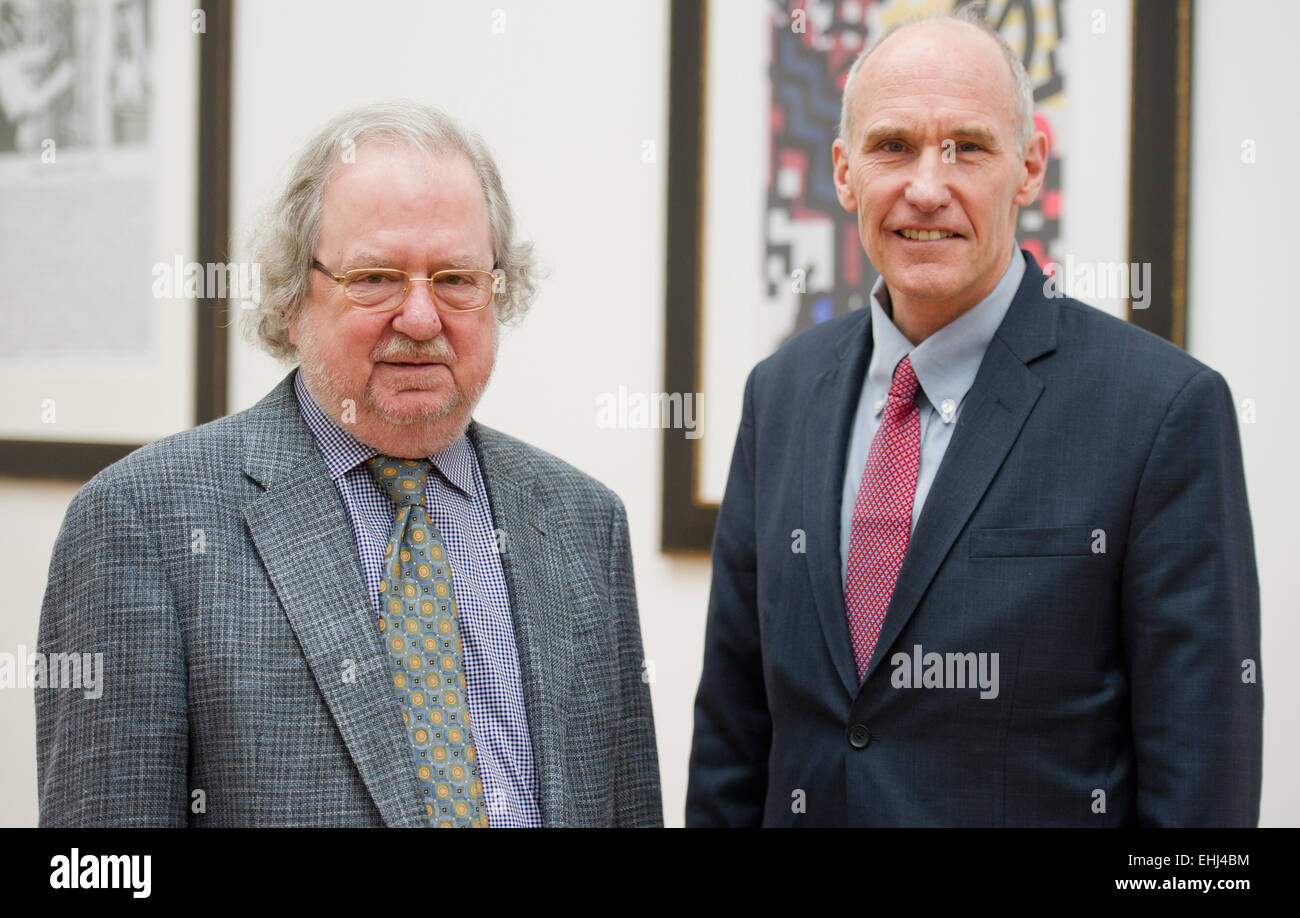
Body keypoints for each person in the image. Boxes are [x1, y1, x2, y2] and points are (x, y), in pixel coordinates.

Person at [686, 9, 1261, 826]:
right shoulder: (778, 394)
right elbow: (733, 741)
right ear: (845, 173)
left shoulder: (1161, 414)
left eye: (968, 146)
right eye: (893, 147)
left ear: (1028, 169)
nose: (927, 185)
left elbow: (1203, 791)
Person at [36, 101, 662, 827]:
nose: (422, 320)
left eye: (457, 279)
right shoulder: (143, 524)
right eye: (376, 278)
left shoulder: (586, 526)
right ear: (293, 295)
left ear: (499, 291)